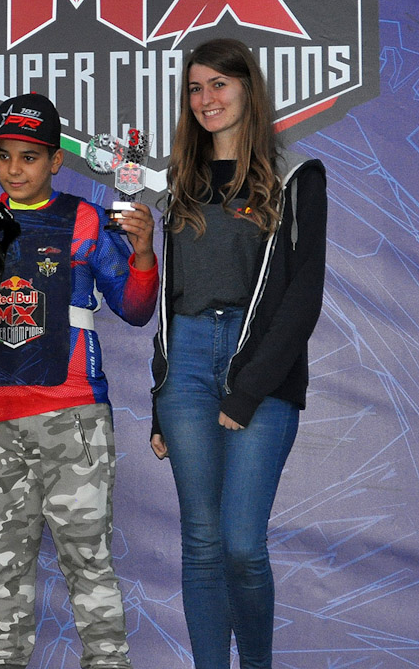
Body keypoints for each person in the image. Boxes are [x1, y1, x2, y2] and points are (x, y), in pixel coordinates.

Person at [149, 38, 328, 668]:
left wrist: (248, 389)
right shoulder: (180, 183)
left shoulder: (297, 175)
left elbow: (304, 296)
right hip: (187, 365)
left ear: (248, 88)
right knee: (201, 544)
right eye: (195, 88)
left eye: (219, 85)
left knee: (242, 545)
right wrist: (160, 400)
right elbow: (172, 296)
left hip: (261, 368)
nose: (206, 99)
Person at [0, 93, 157, 669]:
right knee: (2, 574)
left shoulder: (86, 219)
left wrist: (143, 253)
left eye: (29, 157)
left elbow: (135, 308)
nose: (14, 169)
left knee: (88, 563)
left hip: (72, 417)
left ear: (56, 161)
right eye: (4, 156)